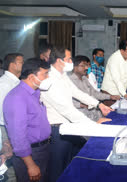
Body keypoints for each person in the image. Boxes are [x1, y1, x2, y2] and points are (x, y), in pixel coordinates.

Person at [40, 47, 113, 182]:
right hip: (57, 129)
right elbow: (67, 109)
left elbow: (77, 93)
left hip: (69, 127)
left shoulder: (62, 76)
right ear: (59, 61)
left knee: (69, 166)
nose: (70, 62)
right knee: (57, 169)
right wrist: (93, 125)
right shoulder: (49, 79)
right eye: (68, 59)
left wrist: (99, 104)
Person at [3, 58, 51, 182]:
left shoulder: (35, 93)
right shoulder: (17, 98)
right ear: (31, 77)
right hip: (29, 154)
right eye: (45, 74)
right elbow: (18, 136)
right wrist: (30, 165)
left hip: (42, 149)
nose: (48, 77)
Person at [69, 55, 120, 121]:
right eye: (83, 66)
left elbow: (95, 93)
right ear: (74, 67)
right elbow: (67, 102)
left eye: (87, 65)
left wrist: (110, 97)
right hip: (82, 116)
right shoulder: (69, 81)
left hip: (94, 113)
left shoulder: (84, 78)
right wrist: (81, 105)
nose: (86, 68)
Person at [0, 53, 24, 182]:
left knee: (17, 164)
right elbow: (3, 113)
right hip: (7, 129)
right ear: (12, 64)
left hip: (15, 128)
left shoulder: (16, 82)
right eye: (20, 62)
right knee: (10, 166)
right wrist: (7, 137)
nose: (23, 64)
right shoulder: (4, 84)